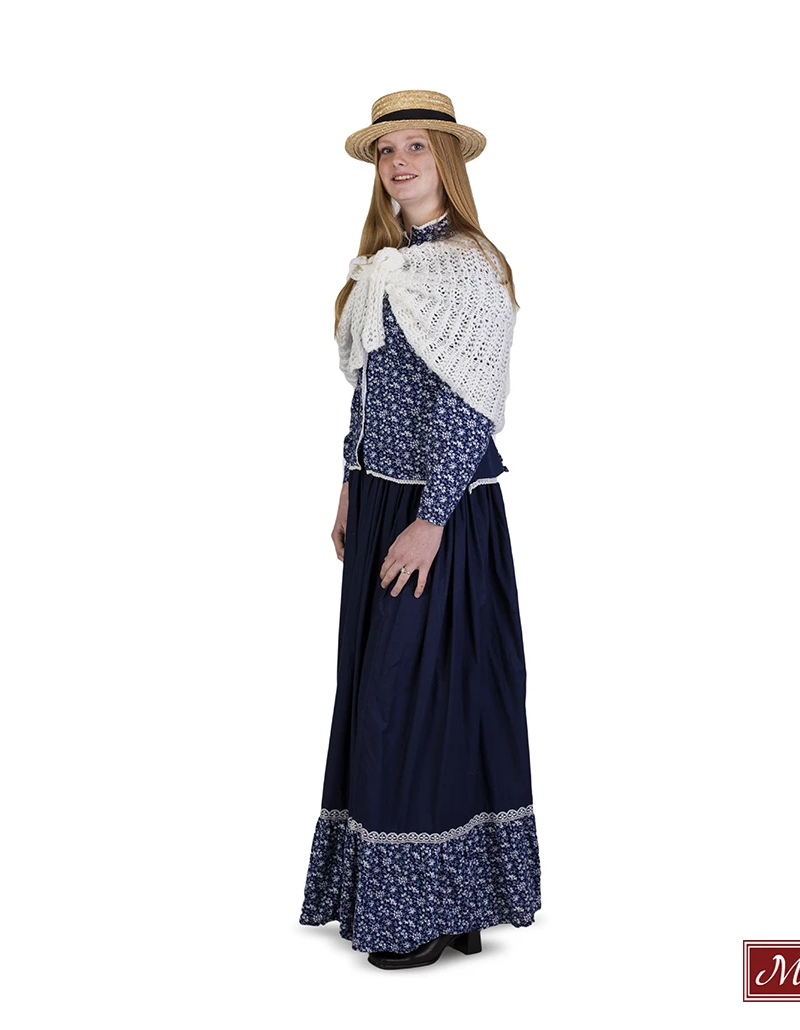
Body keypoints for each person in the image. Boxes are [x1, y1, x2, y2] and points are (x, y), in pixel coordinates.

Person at [298, 89, 541, 970]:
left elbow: (468, 404)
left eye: (416, 147)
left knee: (419, 699)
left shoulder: (471, 267)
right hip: (378, 504)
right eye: (386, 150)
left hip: (441, 511)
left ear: (448, 161)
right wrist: (349, 484)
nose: (398, 163)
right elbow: (369, 392)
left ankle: (427, 910)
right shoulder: (382, 264)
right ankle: (449, 903)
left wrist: (431, 518)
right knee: (389, 695)